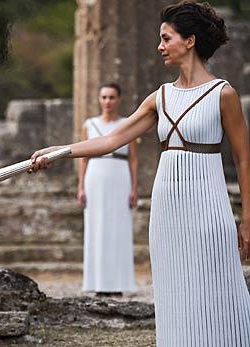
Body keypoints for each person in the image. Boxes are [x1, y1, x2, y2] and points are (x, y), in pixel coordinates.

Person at [31, 1, 250, 345]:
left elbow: (244, 159)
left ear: (189, 41)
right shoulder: (160, 97)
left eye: (166, 38)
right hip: (168, 206)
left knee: (216, 281)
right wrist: (60, 152)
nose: (160, 47)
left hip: (209, 202)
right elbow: (113, 139)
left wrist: (247, 220)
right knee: (175, 287)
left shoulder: (223, 94)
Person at [78, 82, 138, 296]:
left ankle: (119, 283)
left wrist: (134, 189)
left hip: (120, 175)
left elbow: (133, 159)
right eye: (104, 97)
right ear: (99, 99)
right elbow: (83, 158)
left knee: (119, 228)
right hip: (95, 175)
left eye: (112, 97)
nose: (107, 101)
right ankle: (98, 282)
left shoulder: (127, 124)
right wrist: (80, 187)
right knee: (97, 228)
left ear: (118, 99)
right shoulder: (90, 124)